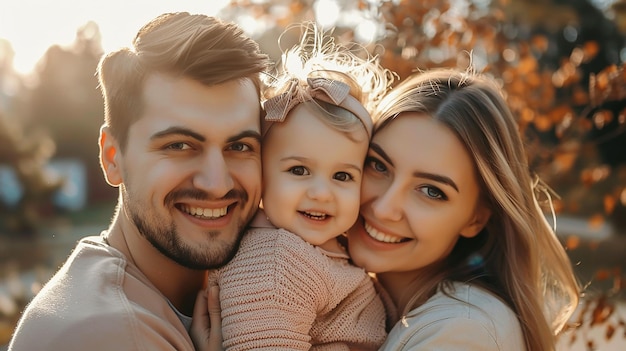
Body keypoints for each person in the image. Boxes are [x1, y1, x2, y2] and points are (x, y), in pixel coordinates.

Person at [9, 12, 269, 351]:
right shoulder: (106, 334)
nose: (217, 184)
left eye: (239, 146)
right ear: (112, 157)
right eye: (179, 145)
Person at [345, 68, 581, 350]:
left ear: (476, 219)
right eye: (378, 166)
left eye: (432, 191)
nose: (384, 209)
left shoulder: (463, 332)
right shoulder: (356, 307)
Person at [192, 23, 395, 351]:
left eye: (342, 176)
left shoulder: (313, 249)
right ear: (262, 175)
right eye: (299, 170)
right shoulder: (274, 262)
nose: (321, 193)